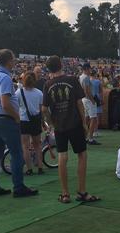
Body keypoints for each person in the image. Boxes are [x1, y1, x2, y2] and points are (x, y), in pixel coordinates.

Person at [42, 55, 100, 204]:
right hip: (74, 123)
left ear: (48, 68)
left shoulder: (48, 84)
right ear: (61, 65)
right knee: (82, 155)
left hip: (59, 126)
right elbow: (79, 103)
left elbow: (44, 109)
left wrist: (51, 123)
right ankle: (81, 191)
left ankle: (65, 194)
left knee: (62, 157)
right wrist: (84, 123)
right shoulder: (72, 80)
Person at [0, 49, 37, 198]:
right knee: (16, 153)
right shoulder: (5, 78)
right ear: (8, 61)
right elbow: (6, 103)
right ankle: (18, 187)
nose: (14, 62)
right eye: (13, 60)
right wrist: (16, 117)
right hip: (5, 118)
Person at [14, 72, 45, 176]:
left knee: (25, 146)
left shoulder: (19, 92)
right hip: (36, 120)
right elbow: (41, 110)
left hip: (24, 120)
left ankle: (29, 169)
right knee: (38, 145)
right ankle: (40, 167)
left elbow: (16, 106)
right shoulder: (39, 93)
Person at [79, 63, 99, 145]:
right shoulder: (86, 77)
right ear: (87, 69)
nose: (90, 70)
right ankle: (90, 138)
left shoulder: (81, 76)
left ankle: (84, 137)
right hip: (88, 99)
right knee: (93, 118)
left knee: (86, 119)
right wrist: (92, 100)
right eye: (89, 69)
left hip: (83, 99)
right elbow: (87, 90)